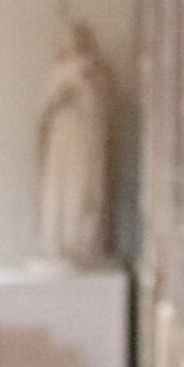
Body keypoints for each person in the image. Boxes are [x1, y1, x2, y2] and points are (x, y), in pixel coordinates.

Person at [37, 20, 112, 268]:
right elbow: (46, 109)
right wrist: (62, 95)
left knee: (80, 191)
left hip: (83, 140)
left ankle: (78, 243)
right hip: (63, 140)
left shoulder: (92, 71)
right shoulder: (59, 71)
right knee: (59, 191)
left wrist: (85, 88)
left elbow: (99, 108)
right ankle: (58, 244)